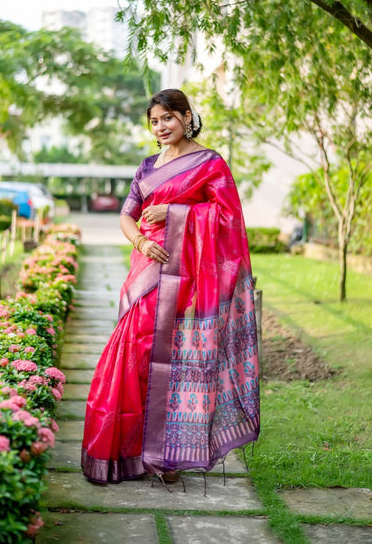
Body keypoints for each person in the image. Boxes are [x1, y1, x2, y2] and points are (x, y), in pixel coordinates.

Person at [81, 89, 260, 484]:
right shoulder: (147, 167)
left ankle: (167, 456)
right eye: (154, 121)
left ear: (186, 117)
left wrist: (177, 213)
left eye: (168, 118)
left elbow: (228, 219)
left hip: (186, 278)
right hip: (146, 270)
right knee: (132, 354)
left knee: (173, 361)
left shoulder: (210, 163)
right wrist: (141, 242)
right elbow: (127, 216)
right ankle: (126, 452)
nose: (161, 127)